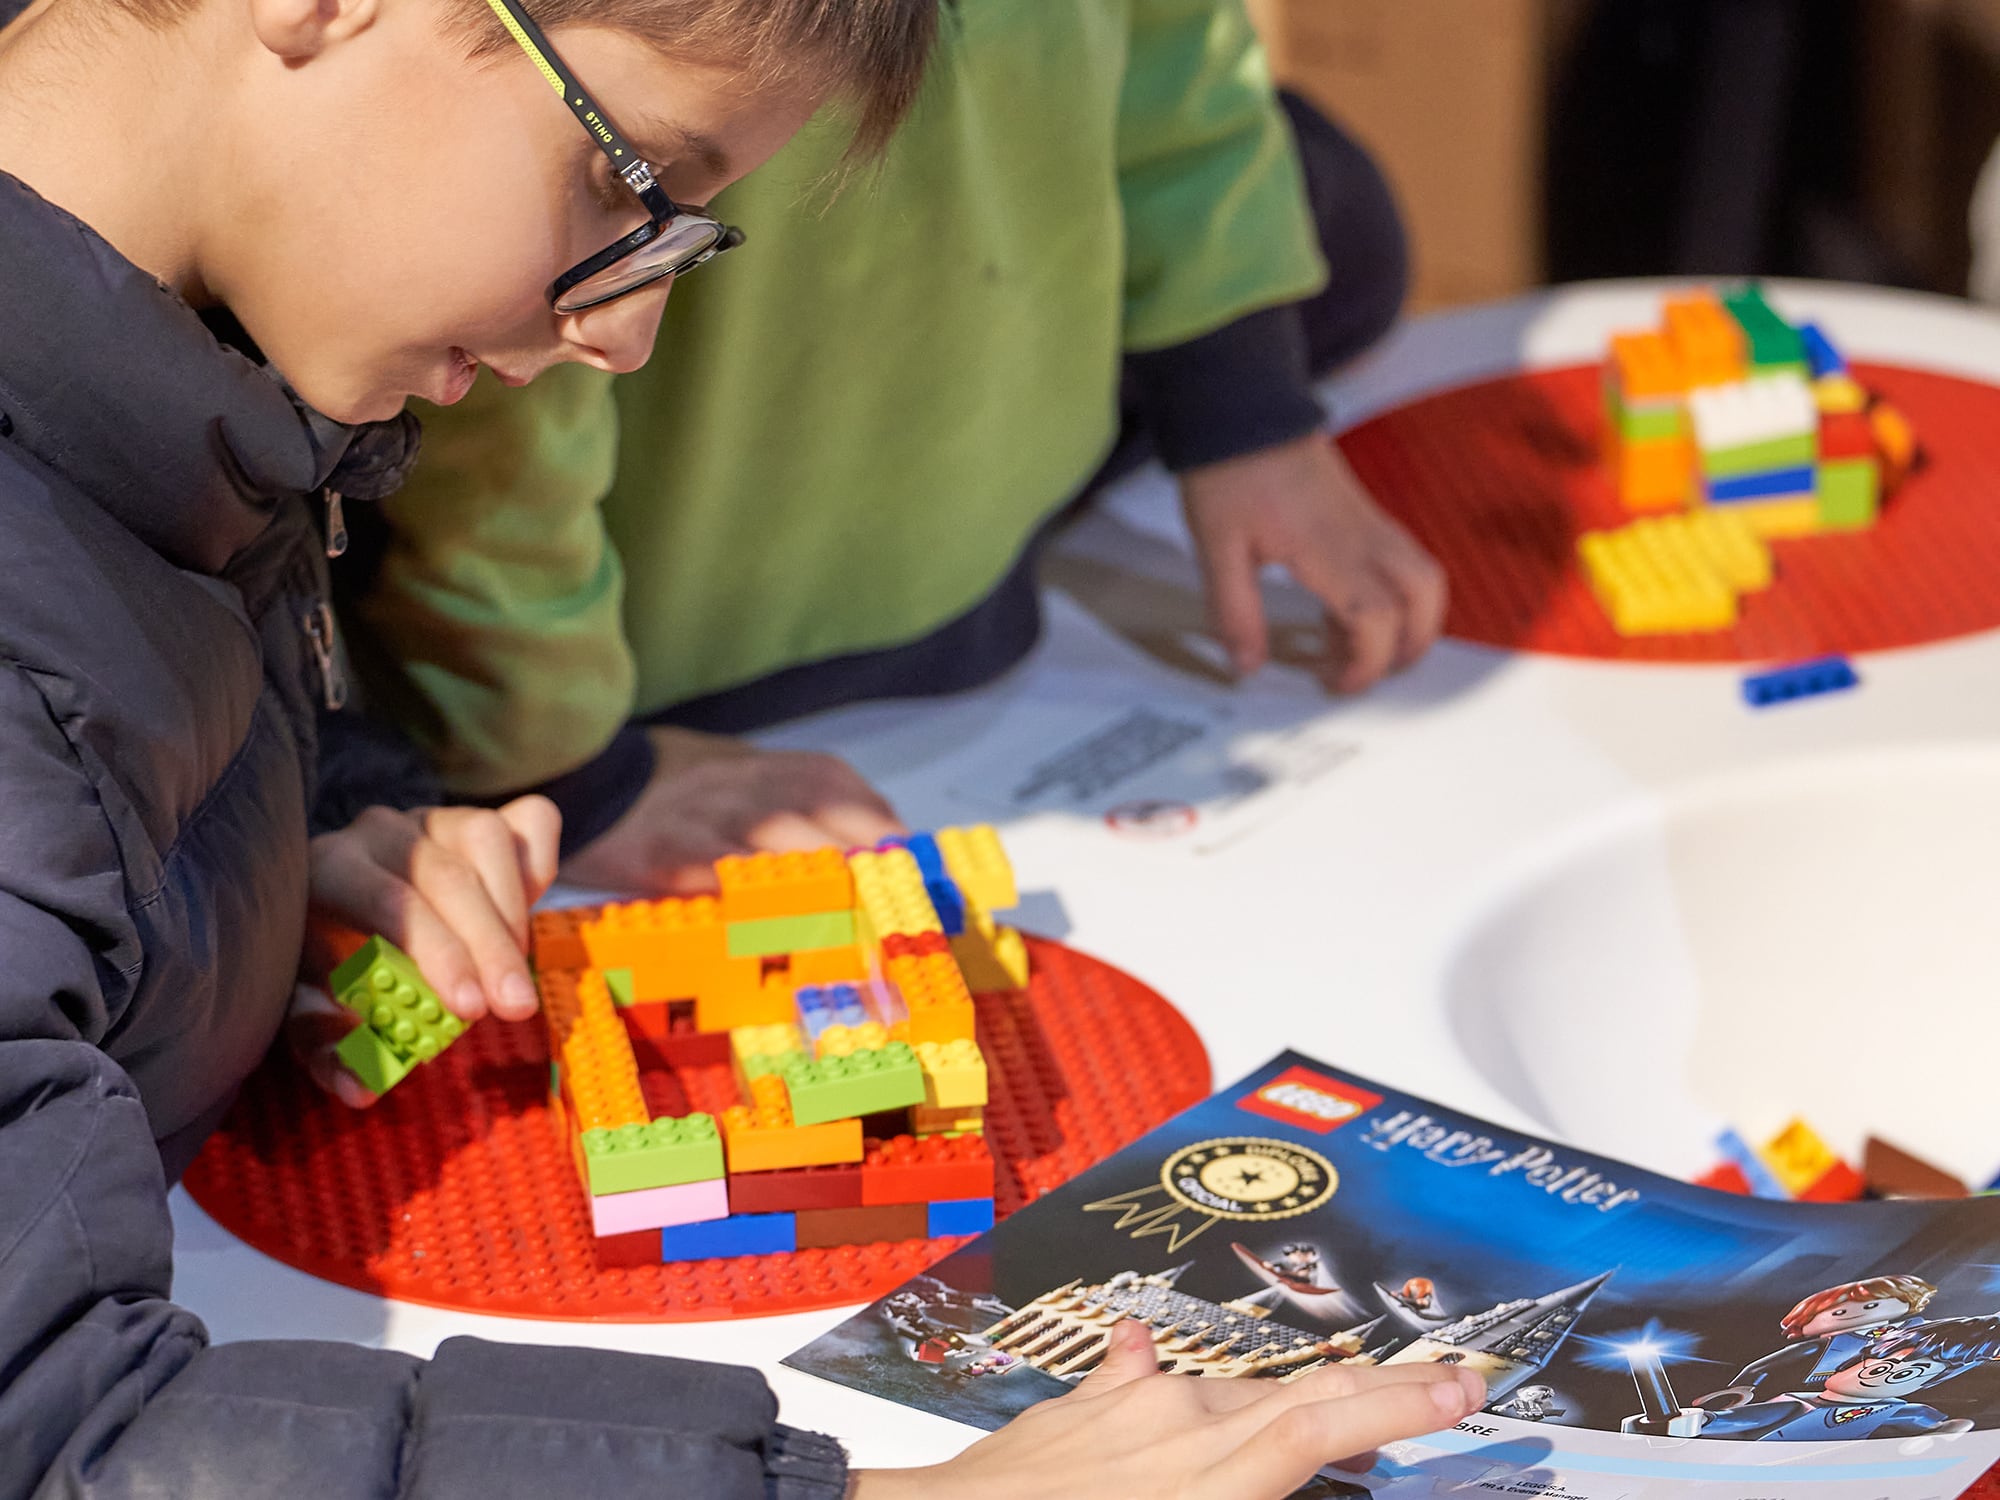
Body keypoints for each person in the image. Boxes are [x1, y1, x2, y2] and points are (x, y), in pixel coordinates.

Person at [0, 0, 1487, 1489]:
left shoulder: (199, 357)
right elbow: (65, 1433)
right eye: (624, 179)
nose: (627, 334)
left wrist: (299, 837)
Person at [339, 0, 1447, 895]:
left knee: (1346, 219)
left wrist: (1244, 413)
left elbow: (1174, 61)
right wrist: (565, 764)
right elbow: (505, 392)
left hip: (986, 526)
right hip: (663, 648)